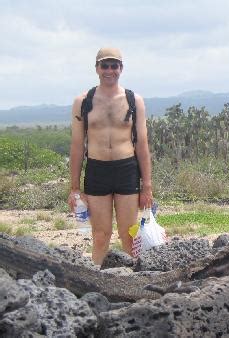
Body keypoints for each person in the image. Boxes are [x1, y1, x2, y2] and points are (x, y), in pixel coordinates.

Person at [68, 47, 153, 265]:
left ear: (121, 68)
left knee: (129, 235)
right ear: (96, 68)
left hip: (126, 170)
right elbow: (77, 146)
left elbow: (142, 144)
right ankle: (97, 284)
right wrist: (74, 189)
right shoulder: (83, 101)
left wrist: (147, 187)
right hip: (97, 171)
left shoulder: (134, 101)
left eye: (114, 65)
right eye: (104, 65)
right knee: (100, 236)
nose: (109, 70)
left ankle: (134, 284)